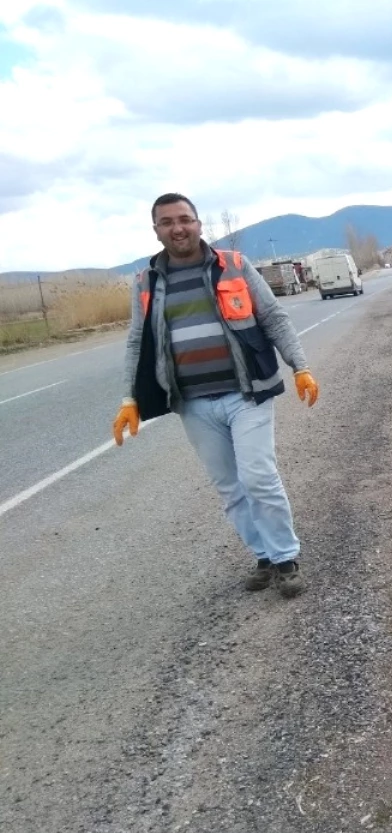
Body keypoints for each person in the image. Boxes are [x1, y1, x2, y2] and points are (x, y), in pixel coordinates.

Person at [112, 193, 320, 597]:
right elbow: (137, 342)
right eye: (167, 221)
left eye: (185, 219)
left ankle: (286, 558)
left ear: (199, 223)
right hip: (191, 403)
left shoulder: (235, 265)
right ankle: (264, 556)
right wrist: (128, 398)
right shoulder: (145, 282)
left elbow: (274, 319)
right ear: (156, 230)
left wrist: (301, 367)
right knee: (229, 486)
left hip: (248, 394)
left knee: (258, 477)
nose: (178, 228)